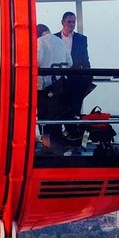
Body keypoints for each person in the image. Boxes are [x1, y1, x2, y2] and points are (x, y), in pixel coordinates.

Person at [55, 11, 92, 144]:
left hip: (74, 79)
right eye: (69, 22)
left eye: (73, 22)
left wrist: (88, 77)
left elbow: (85, 60)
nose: (71, 24)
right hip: (58, 79)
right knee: (58, 106)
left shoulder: (81, 39)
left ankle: (71, 136)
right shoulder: (54, 38)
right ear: (62, 22)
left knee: (72, 107)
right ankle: (60, 135)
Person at [37, 23, 70, 152]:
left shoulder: (40, 42)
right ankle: (57, 145)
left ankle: (46, 145)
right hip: (59, 85)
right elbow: (70, 62)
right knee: (56, 114)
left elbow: (37, 61)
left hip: (44, 85)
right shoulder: (60, 42)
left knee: (43, 114)